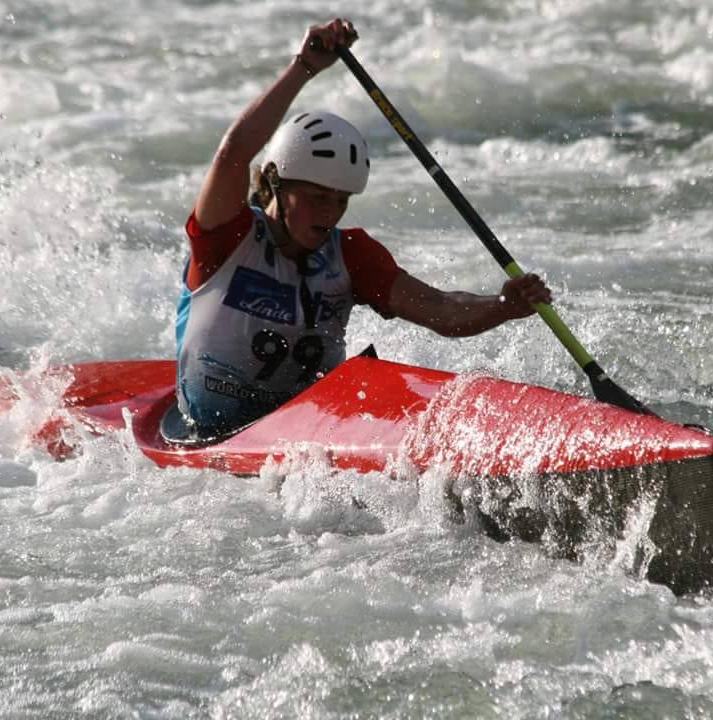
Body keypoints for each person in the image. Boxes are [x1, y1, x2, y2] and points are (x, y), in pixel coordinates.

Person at [175, 17, 552, 435]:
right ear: (276, 184)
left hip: (308, 432)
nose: (330, 213)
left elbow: (441, 311)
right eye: (318, 198)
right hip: (207, 432)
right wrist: (304, 67)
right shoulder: (227, 237)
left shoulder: (350, 255)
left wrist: (503, 307)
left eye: (341, 201)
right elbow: (233, 152)